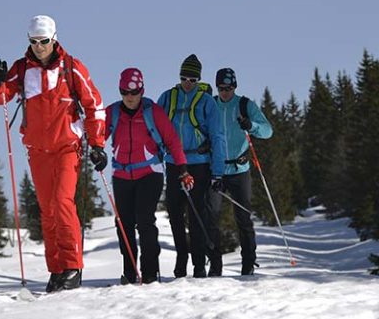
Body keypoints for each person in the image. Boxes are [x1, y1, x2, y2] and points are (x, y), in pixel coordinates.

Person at [0, 15, 107, 292]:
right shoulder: (21, 69)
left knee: (63, 203)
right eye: (34, 42)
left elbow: (94, 105)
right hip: (38, 150)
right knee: (48, 211)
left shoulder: (72, 68)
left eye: (44, 41)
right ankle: (57, 270)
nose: (39, 47)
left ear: (54, 38)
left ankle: (73, 266)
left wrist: (97, 143)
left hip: (67, 147)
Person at [105, 67, 191, 284]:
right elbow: (97, 134)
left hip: (149, 173)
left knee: (144, 220)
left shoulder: (153, 112)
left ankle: (150, 272)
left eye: (134, 93)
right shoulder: (112, 112)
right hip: (121, 174)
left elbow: (172, 140)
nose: (130, 97)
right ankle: (130, 272)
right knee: (123, 224)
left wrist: (182, 168)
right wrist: (95, 149)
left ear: (142, 91)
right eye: (125, 92)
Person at [157, 54, 226, 278]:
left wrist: (217, 172)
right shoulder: (167, 98)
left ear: (199, 80)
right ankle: (181, 259)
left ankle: (198, 264)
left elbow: (218, 137)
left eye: (193, 79)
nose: (188, 83)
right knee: (175, 213)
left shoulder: (207, 102)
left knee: (197, 216)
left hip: (199, 164)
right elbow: (155, 129)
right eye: (184, 78)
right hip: (173, 163)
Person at [207, 67, 273, 276]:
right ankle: (215, 265)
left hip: (239, 169)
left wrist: (250, 125)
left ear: (234, 87)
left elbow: (268, 131)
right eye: (221, 88)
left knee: (243, 218)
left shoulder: (244, 105)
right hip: (216, 169)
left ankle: (248, 264)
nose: (225, 92)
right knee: (211, 217)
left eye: (229, 88)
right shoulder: (212, 105)